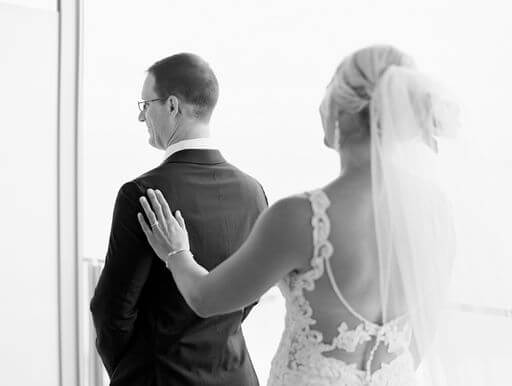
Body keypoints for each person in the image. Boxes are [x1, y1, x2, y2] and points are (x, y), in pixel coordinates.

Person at [137, 45, 459, 385]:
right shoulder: (434, 214)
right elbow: (419, 343)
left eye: (328, 90)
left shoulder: (301, 218)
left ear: (345, 111)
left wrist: (177, 252)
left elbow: (205, 298)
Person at [90, 53, 267, 386]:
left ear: (172, 106)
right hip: (236, 376)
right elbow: (248, 294)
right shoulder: (253, 191)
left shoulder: (141, 193)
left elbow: (112, 309)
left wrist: (131, 371)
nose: (142, 118)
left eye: (146, 105)